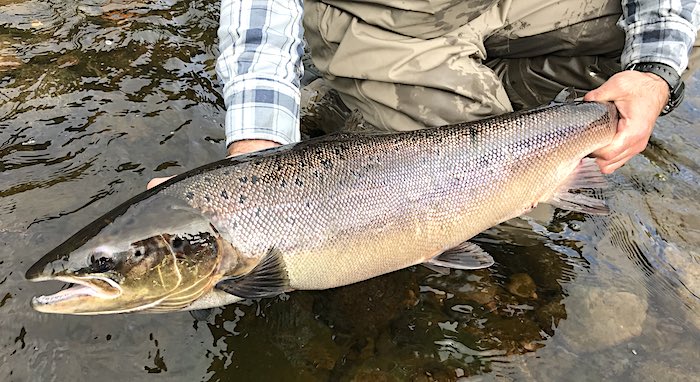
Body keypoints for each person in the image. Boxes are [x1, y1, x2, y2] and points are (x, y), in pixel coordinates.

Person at [149, 0, 700, 189]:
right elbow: (259, 33)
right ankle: (373, 89)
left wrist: (653, 74)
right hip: (374, 21)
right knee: (488, 200)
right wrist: (256, 163)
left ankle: (477, 89)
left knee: (668, 39)